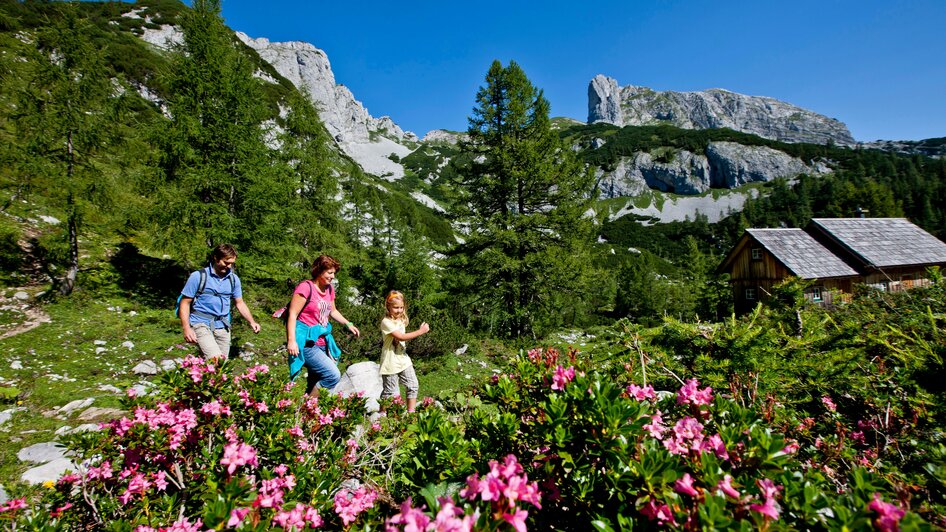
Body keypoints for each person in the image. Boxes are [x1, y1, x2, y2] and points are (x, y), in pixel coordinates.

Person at [286, 254, 361, 393]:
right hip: (307, 343)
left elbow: (333, 311)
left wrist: (348, 323)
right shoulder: (305, 287)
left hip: (323, 342)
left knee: (314, 381)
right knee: (332, 375)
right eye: (329, 272)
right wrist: (291, 341)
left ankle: (307, 413)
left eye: (334, 273)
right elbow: (293, 314)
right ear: (319, 270)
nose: (332, 276)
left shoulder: (329, 289)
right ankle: (309, 406)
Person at [179, 244, 260, 359]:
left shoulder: (234, 279)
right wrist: (186, 328)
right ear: (216, 258)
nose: (229, 266)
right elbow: (185, 302)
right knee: (215, 359)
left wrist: (252, 322)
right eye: (226, 262)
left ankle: (198, 375)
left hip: (222, 325)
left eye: (231, 263)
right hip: (200, 323)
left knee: (221, 365)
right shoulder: (198, 276)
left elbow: (239, 303)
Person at [379, 290, 429, 413]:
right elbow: (400, 336)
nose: (399, 310)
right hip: (390, 361)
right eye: (396, 307)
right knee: (389, 391)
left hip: (403, 359)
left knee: (413, 384)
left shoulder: (401, 319)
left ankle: (410, 413)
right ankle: (382, 413)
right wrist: (420, 331)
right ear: (388, 306)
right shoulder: (386, 322)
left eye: (401, 307)